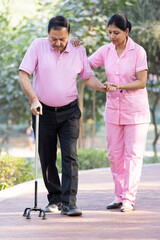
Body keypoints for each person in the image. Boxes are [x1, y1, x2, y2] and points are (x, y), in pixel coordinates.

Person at [19, 15, 106, 217]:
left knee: (70, 155)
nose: (58, 43)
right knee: (47, 157)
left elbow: (87, 76)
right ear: (47, 34)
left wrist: (102, 87)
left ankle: (69, 203)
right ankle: (55, 199)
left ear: (69, 35)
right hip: (43, 111)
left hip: (69, 112)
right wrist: (33, 98)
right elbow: (24, 74)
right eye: (53, 39)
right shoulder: (37, 46)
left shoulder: (78, 49)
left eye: (62, 39)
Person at [88, 13, 150, 212]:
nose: (112, 36)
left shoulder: (138, 52)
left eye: (116, 32)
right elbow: (86, 64)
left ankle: (129, 199)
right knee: (114, 155)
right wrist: (75, 47)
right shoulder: (106, 51)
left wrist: (119, 85)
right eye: (109, 33)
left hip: (135, 112)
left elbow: (142, 82)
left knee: (133, 155)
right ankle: (118, 195)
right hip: (114, 110)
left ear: (127, 31)